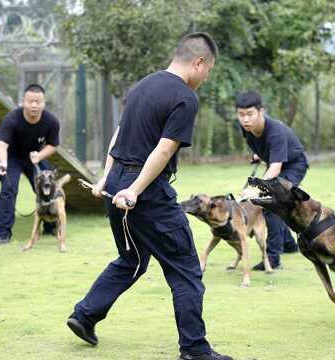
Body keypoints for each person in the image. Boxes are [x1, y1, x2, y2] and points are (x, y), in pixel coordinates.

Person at [66, 32, 233, 360]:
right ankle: (195, 350)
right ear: (198, 62)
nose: (206, 78)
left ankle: (85, 315)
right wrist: (134, 189)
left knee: (133, 259)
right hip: (145, 190)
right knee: (185, 266)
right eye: (208, 70)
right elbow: (165, 147)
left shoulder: (142, 86)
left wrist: (107, 177)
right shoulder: (184, 97)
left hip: (119, 181)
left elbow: (119, 134)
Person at [237, 90, 309, 270]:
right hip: (275, 163)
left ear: (261, 112)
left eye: (250, 114)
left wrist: (255, 189)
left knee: (270, 203)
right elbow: (262, 146)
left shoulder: (275, 130)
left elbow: (275, 168)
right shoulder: (246, 129)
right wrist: (257, 155)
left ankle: (273, 258)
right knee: (280, 203)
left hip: (293, 165)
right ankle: (289, 245)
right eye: (241, 114)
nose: (245, 119)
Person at [0, 83, 59, 244]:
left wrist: (40, 156)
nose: (34, 105)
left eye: (38, 101)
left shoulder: (51, 121)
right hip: (12, 157)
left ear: (44, 103)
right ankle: (3, 233)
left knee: (48, 186)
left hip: (35, 156)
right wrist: (3, 162)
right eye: (30, 101)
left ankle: (50, 225)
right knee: (8, 188)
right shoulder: (11, 119)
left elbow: (53, 145)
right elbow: (2, 144)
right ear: (23, 101)